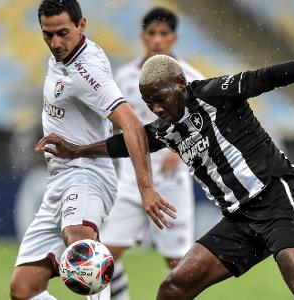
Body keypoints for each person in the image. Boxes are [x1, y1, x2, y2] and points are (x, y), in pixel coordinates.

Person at [36, 50, 294, 299]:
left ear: (181, 84)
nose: (155, 108)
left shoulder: (216, 94)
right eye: (148, 102)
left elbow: (271, 74)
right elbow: (127, 142)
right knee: (173, 288)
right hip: (240, 221)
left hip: (279, 201)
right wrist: (78, 150)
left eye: (160, 98)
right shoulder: (167, 128)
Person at [10, 1, 176, 300]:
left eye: (62, 33)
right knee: (24, 289)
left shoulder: (86, 71)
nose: (55, 43)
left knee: (83, 253)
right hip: (60, 181)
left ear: (81, 25)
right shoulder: (64, 56)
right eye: (48, 35)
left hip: (86, 176)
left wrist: (146, 187)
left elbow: (133, 124)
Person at [103, 7, 204, 300]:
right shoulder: (124, 76)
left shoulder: (191, 79)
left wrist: (182, 148)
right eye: (152, 33)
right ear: (143, 37)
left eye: (164, 34)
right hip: (130, 183)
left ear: (174, 38)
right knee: (104, 258)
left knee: (180, 267)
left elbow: (204, 125)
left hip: (170, 183)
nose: (157, 40)